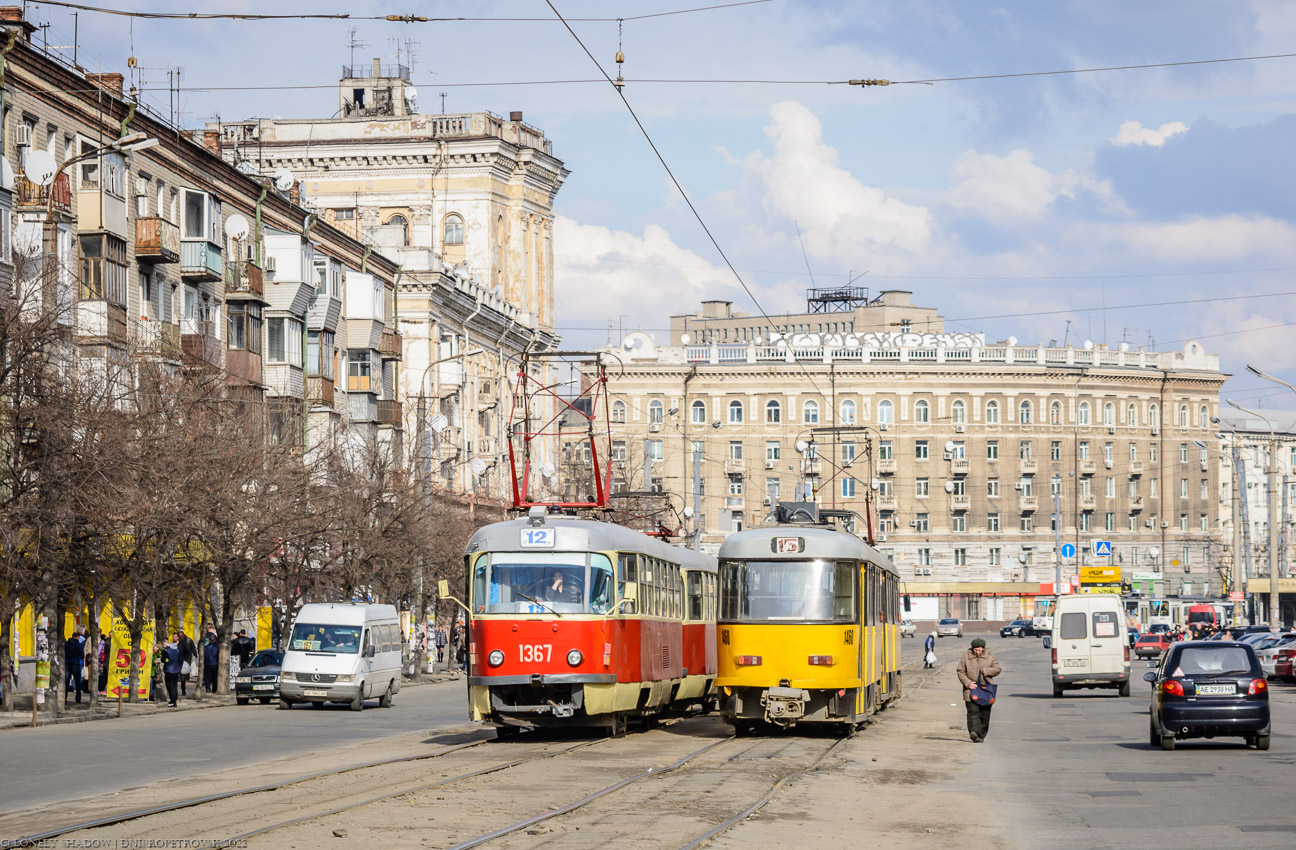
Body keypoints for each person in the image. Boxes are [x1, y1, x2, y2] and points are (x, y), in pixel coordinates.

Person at [956, 637, 1002, 743]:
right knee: (972, 712)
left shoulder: (990, 657)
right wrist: (968, 683)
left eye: (980, 650)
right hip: (970, 690)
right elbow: (960, 671)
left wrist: (986, 671)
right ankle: (974, 733)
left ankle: (981, 735)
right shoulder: (965, 657)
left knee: (984, 714)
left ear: (983, 649)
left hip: (986, 691)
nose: (977, 652)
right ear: (972, 649)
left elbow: (998, 669)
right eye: (976, 650)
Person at [65, 626, 88, 705]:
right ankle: (78, 700)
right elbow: (81, 656)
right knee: (78, 682)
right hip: (76, 664)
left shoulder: (66, 644)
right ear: (78, 637)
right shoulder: (79, 645)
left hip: (67, 664)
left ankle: (64, 699)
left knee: (66, 682)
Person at [160, 633, 182, 707]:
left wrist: (166, 660)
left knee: (170, 686)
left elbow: (163, 659)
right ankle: (175, 701)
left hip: (169, 670)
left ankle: (172, 701)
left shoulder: (166, 650)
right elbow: (180, 659)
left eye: (163, 645)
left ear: (165, 644)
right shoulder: (176, 649)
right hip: (176, 670)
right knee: (175, 686)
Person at [177, 631, 196, 697]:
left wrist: (195, 654)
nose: (181, 637)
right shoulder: (177, 642)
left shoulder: (188, 640)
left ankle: (186, 678)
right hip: (178, 660)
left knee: (185, 672)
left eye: (181, 636)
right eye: (179, 636)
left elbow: (192, 647)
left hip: (186, 659)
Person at [202, 628, 220, 693]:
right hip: (215, 664)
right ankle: (214, 689)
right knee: (215, 678)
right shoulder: (217, 648)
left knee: (208, 677)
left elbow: (204, 656)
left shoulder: (205, 648)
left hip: (207, 664)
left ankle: (208, 688)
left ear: (209, 640)